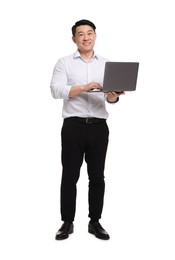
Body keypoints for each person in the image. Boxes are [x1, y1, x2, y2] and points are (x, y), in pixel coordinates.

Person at [50, 19, 125, 240]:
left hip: (99, 127)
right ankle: (67, 222)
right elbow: (55, 90)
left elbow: (110, 98)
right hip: (73, 126)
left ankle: (95, 221)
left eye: (90, 33)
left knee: (97, 177)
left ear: (95, 36)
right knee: (69, 176)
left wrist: (112, 97)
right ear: (74, 39)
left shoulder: (107, 64)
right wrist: (84, 87)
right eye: (80, 34)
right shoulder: (64, 63)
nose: (86, 37)